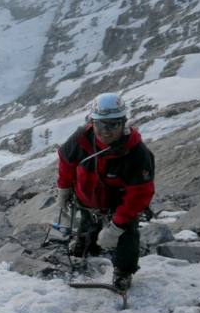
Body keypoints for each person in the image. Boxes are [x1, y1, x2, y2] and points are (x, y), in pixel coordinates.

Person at [56, 92, 155, 291]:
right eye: (101, 124)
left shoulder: (136, 153)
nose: (106, 131)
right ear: (92, 122)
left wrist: (116, 227)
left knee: (126, 236)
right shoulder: (82, 138)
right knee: (87, 226)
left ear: (123, 123)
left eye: (113, 125)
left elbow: (139, 194)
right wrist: (64, 188)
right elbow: (66, 162)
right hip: (87, 200)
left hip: (118, 205)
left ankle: (123, 272)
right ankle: (86, 250)